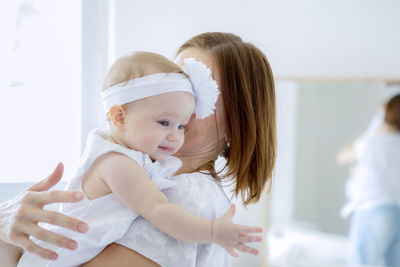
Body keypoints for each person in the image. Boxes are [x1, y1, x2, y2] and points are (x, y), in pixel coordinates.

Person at [0, 32, 276, 267]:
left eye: (199, 95)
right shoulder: (142, 173)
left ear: (237, 124)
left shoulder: (186, 196)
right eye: (175, 81)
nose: (178, 103)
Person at [338, 91, 400, 267]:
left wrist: (373, 128)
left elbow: (342, 156)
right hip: (397, 210)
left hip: (373, 210)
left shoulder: (372, 143)